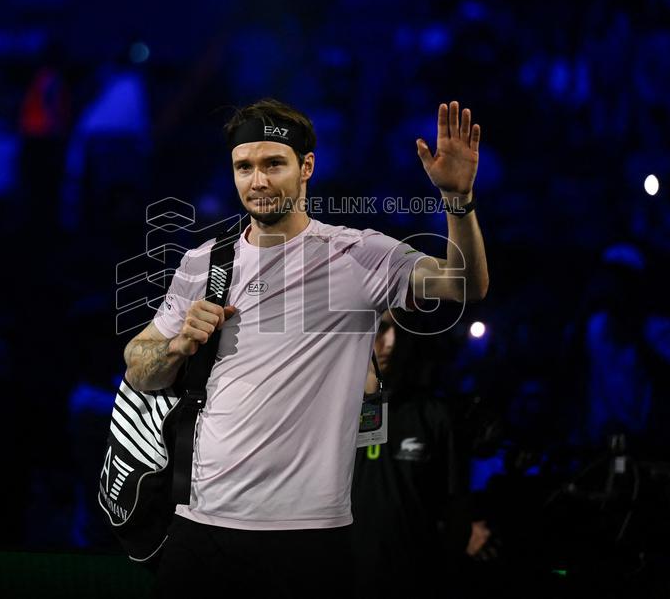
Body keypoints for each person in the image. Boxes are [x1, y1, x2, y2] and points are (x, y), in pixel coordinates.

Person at [121, 98, 489, 597]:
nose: (258, 181)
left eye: (274, 163)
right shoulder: (204, 263)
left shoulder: (357, 254)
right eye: (244, 167)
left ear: (307, 166)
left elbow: (463, 284)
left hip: (309, 535)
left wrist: (457, 199)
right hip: (201, 524)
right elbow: (141, 371)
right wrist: (181, 344)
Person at [351, 309, 493, 599]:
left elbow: (455, 505)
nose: (390, 342)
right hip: (339, 581)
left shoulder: (434, 416)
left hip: (414, 581)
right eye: (380, 330)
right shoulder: (326, 411)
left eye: (398, 331)